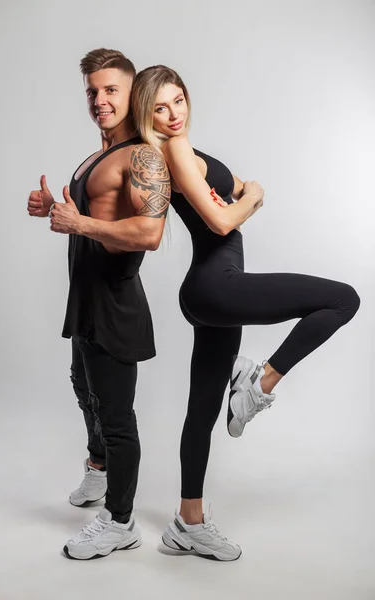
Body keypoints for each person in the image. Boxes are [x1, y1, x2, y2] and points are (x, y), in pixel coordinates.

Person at [131, 65, 360, 561]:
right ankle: (259, 384)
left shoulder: (188, 151)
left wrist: (242, 194)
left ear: (188, 98)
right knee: (343, 298)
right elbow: (223, 217)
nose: (172, 115)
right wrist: (250, 198)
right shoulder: (171, 152)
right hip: (219, 286)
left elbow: (235, 189)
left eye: (177, 101)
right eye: (159, 108)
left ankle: (186, 522)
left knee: (203, 410)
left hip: (210, 292)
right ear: (146, 115)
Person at [27, 49, 170, 560]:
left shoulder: (143, 156)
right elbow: (90, 210)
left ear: (132, 93)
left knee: (116, 416)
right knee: (81, 385)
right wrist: (55, 208)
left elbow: (150, 233)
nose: (100, 100)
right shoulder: (96, 154)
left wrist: (80, 222)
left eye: (111, 90)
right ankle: (99, 468)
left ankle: (121, 520)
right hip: (84, 294)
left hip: (115, 301)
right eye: (92, 91)